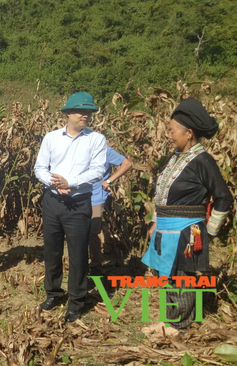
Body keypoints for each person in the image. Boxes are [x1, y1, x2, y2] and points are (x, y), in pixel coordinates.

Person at [141, 98, 232, 336]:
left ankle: (178, 326)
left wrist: (209, 231)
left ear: (189, 133)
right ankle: (169, 320)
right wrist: (155, 222)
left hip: (187, 230)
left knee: (183, 278)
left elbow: (224, 198)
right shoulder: (175, 157)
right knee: (166, 275)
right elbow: (162, 194)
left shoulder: (202, 160)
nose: (168, 135)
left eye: (172, 131)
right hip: (166, 228)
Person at [33, 92, 107, 323]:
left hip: (78, 202)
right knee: (52, 250)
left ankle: (76, 301)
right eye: (80, 111)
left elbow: (97, 170)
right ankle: (54, 293)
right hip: (53, 200)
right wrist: (53, 182)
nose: (85, 115)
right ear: (67, 113)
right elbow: (39, 167)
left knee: (77, 254)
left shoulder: (96, 139)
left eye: (89, 112)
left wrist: (70, 182)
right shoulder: (51, 138)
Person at [88, 146, 132, 276]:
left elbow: (126, 163)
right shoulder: (78, 148)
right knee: (79, 232)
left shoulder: (104, 150)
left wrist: (109, 181)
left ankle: (95, 268)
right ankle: (80, 266)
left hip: (95, 198)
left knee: (92, 233)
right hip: (78, 198)